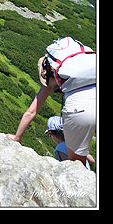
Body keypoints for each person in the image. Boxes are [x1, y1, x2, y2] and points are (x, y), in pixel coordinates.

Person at [6, 38, 96, 168]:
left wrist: (17, 137)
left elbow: (30, 113)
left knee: (77, 168)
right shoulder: (80, 59)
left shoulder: (52, 78)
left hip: (79, 108)